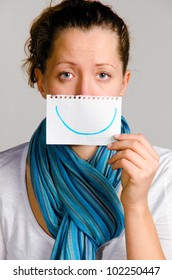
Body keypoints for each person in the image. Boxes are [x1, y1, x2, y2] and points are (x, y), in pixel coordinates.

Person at [0, 0, 172, 260]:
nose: (85, 93)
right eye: (66, 74)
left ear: (123, 83)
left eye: (102, 75)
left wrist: (136, 207)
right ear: (42, 82)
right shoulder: (4, 178)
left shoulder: (164, 176)